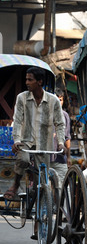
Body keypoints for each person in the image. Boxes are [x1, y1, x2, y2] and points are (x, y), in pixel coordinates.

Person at [4, 67, 65, 203]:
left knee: (42, 179)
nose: (27, 82)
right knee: (24, 159)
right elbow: (18, 121)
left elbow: (60, 124)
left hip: (44, 143)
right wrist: (17, 140)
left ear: (39, 82)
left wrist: (61, 142)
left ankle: (40, 207)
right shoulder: (22, 98)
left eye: (30, 80)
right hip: (26, 140)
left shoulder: (53, 100)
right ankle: (15, 184)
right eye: (26, 79)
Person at [50, 88, 71, 190]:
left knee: (62, 188)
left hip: (60, 159)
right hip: (45, 158)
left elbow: (67, 138)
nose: (58, 102)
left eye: (61, 99)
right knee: (44, 189)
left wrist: (69, 157)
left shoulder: (65, 116)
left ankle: (60, 206)